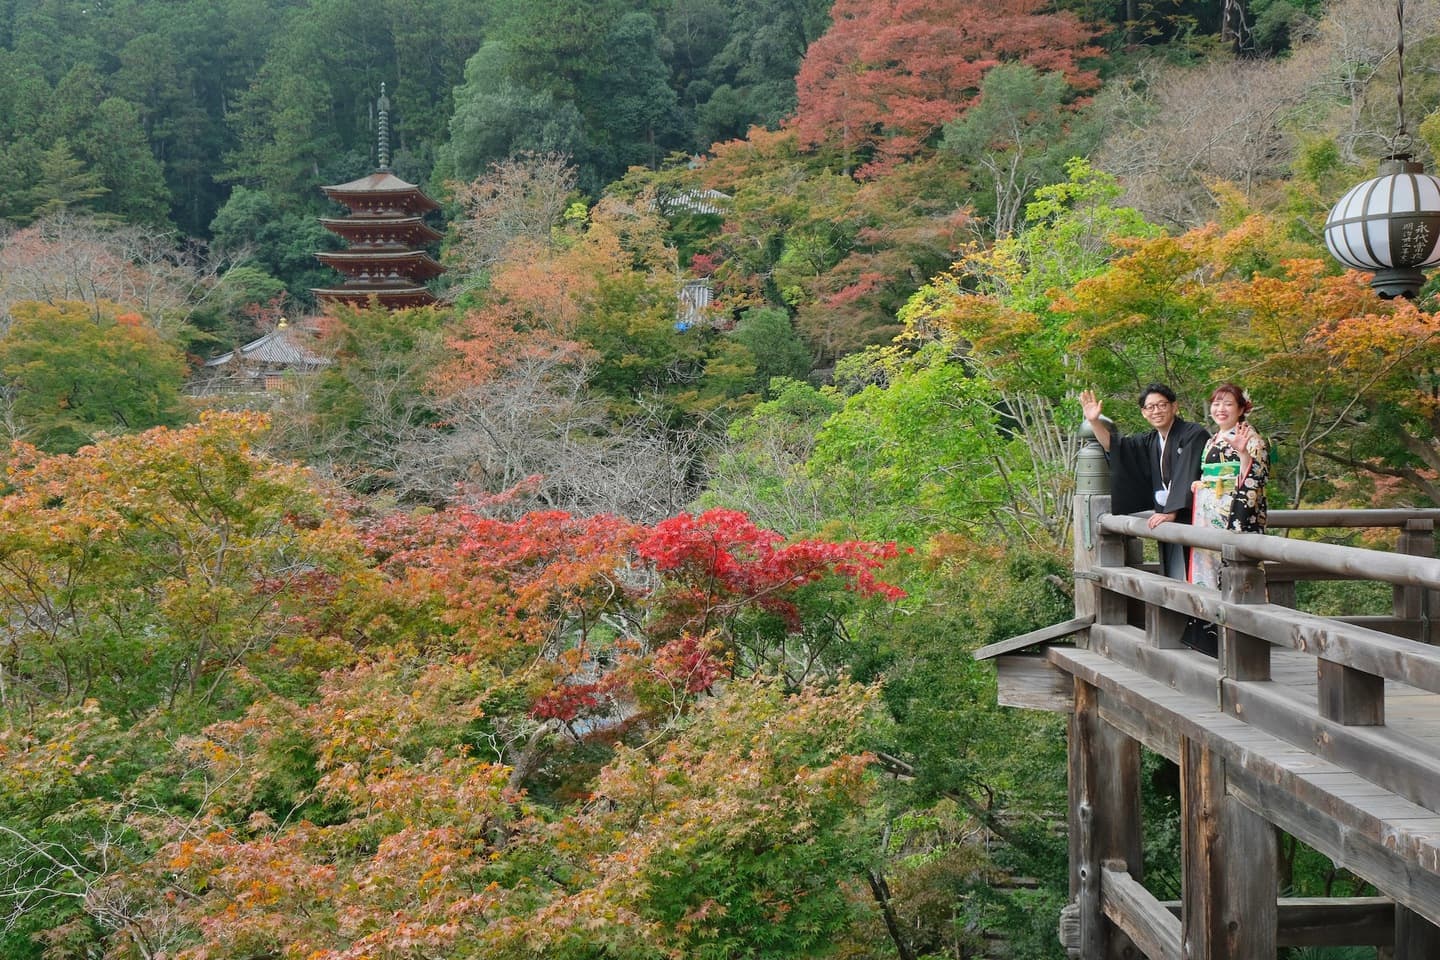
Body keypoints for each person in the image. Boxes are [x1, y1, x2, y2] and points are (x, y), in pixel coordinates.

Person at [1080, 384, 1210, 579]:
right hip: (1167, 518)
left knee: (1199, 576)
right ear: (1143, 413)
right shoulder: (1151, 440)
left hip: (1192, 516)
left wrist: (1171, 511)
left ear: (1174, 407)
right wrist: (1095, 421)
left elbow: (1187, 472)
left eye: (1161, 405)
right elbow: (1116, 448)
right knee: (1175, 578)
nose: (1156, 411)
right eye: (1150, 407)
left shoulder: (1193, 433)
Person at [1188, 383, 1268, 589]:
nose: (1220, 409)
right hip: (1207, 514)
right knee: (1206, 571)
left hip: (1233, 513)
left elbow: (1256, 477)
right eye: (1216, 404)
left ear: (1241, 409)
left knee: (1233, 575)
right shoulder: (1213, 439)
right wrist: (1203, 484)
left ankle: (1230, 620)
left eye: (1228, 404)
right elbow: (1209, 473)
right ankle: (1208, 619)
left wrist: (1243, 454)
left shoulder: (1252, 439)